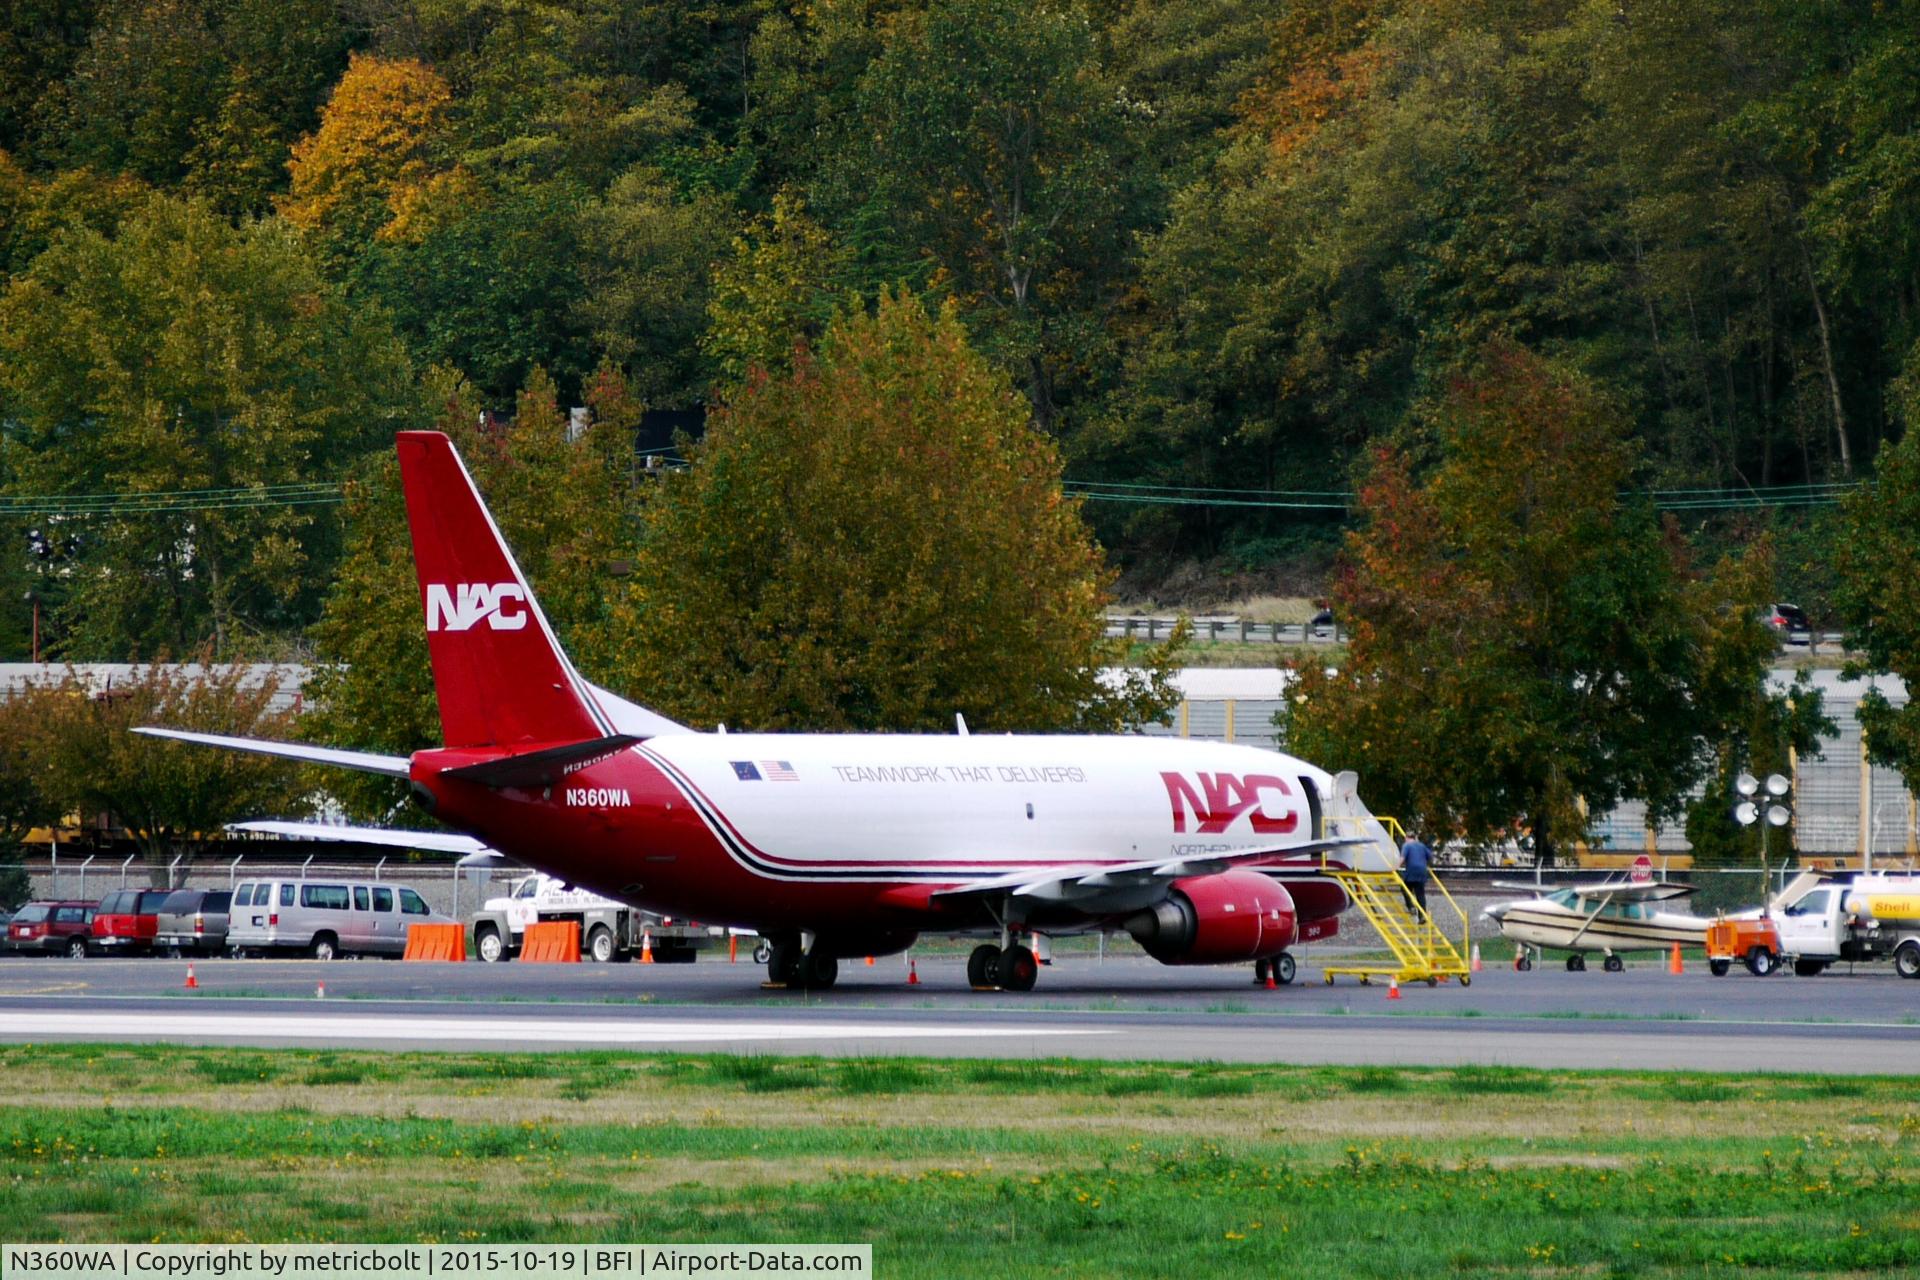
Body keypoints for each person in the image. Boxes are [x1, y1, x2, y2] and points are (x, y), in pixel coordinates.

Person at [1399, 831, 1433, 916]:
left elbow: (1402, 858)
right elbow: (1430, 857)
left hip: (1411, 871)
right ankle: (1422, 916)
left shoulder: (1406, 845)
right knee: (1420, 894)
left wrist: (1395, 867)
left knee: (1405, 889)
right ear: (1415, 838)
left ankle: (1411, 907)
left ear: (1406, 838)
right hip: (1422, 871)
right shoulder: (1421, 845)